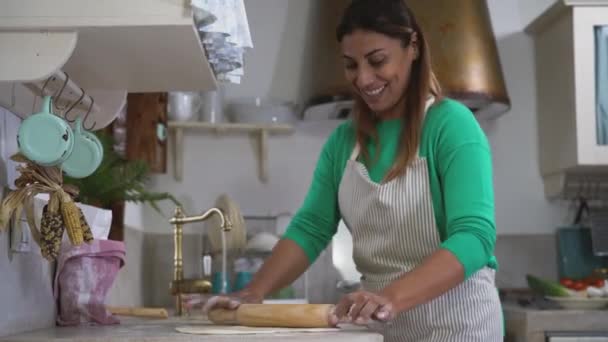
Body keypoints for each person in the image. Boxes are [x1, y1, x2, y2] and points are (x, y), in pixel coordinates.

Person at [199, 0, 503, 340]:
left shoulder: (451, 125)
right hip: (382, 329)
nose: (363, 78)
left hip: (458, 326)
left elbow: (474, 236)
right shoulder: (343, 143)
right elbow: (310, 229)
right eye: (351, 65)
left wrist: (390, 297)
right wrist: (253, 293)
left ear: (412, 47)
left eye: (377, 61)